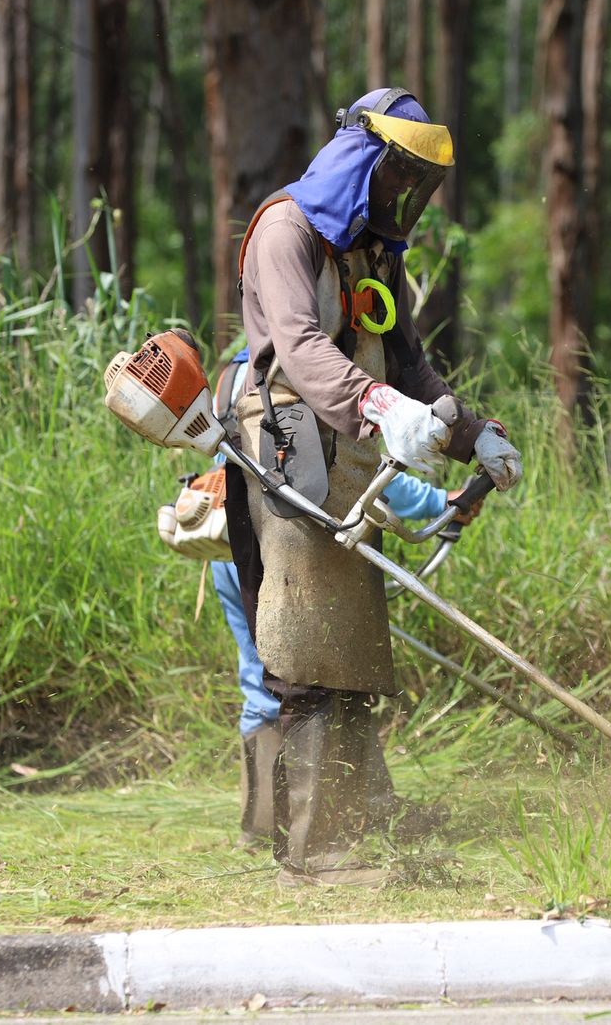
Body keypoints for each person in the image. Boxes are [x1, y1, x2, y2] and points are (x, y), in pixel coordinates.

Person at [226, 87, 522, 887]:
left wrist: (473, 436)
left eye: (417, 184)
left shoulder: (375, 250)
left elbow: (412, 363)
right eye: (398, 175)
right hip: (286, 447)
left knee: (350, 648)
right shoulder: (286, 230)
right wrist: (377, 403)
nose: (406, 197)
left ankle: (352, 820)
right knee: (303, 653)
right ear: (361, 156)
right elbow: (295, 342)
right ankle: (316, 854)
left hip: (353, 453)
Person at [207, 349, 478, 852]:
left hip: (232, 543)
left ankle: (262, 823)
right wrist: (444, 502)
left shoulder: (235, 375)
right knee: (323, 674)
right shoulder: (308, 373)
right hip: (283, 543)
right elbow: (354, 482)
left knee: (261, 674)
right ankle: (337, 821)